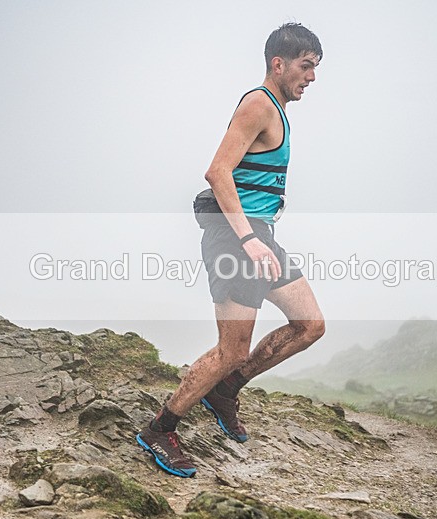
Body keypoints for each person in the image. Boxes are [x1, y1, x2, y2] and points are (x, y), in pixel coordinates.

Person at [136, 22, 325, 478]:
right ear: (277, 64)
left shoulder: (278, 108)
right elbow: (217, 172)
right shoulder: (259, 104)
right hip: (237, 236)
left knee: (309, 325)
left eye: (316, 68)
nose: (312, 77)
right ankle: (159, 429)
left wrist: (259, 238)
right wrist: (247, 239)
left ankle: (225, 392)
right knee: (231, 350)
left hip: (259, 236)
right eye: (306, 66)